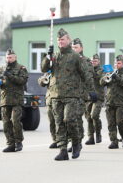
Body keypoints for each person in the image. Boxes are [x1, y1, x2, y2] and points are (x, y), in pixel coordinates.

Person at [41, 28, 96, 161]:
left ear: (68, 40)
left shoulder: (75, 56)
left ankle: (76, 143)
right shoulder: (54, 56)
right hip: (56, 95)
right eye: (59, 40)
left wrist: (91, 90)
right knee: (59, 123)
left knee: (69, 120)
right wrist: (47, 57)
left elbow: (86, 74)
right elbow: (44, 69)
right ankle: (63, 150)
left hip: (72, 95)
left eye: (63, 39)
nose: (60, 42)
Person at [0, 49, 28, 152]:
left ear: (15, 57)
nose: (8, 59)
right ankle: (10, 143)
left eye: (10, 57)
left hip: (16, 99)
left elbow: (22, 81)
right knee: (6, 122)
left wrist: (9, 75)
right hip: (5, 99)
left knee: (15, 120)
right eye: (7, 57)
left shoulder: (21, 68)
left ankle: (18, 142)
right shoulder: (1, 68)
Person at [100, 55, 123, 149]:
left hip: (121, 102)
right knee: (111, 123)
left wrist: (117, 77)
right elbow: (101, 83)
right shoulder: (110, 73)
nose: (116, 65)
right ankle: (114, 141)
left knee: (120, 122)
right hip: (109, 102)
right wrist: (105, 77)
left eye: (119, 63)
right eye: (115, 63)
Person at [71, 38, 95, 149]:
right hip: (69, 93)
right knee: (70, 119)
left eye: (76, 47)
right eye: (72, 47)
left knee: (77, 117)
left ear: (81, 48)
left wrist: (91, 91)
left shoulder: (86, 60)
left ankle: (77, 142)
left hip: (81, 94)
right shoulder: (68, 59)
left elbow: (89, 76)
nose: (73, 49)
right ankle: (73, 141)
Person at [84, 54, 105, 144]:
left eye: (95, 61)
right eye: (92, 61)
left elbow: (97, 77)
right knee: (88, 118)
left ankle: (98, 133)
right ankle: (91, 137)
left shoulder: (101, 70)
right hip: (88, 97)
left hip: (98, 97)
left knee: (94, 115)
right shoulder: (88, 70)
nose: (93, 63)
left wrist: (90, 69)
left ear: (99, 62)